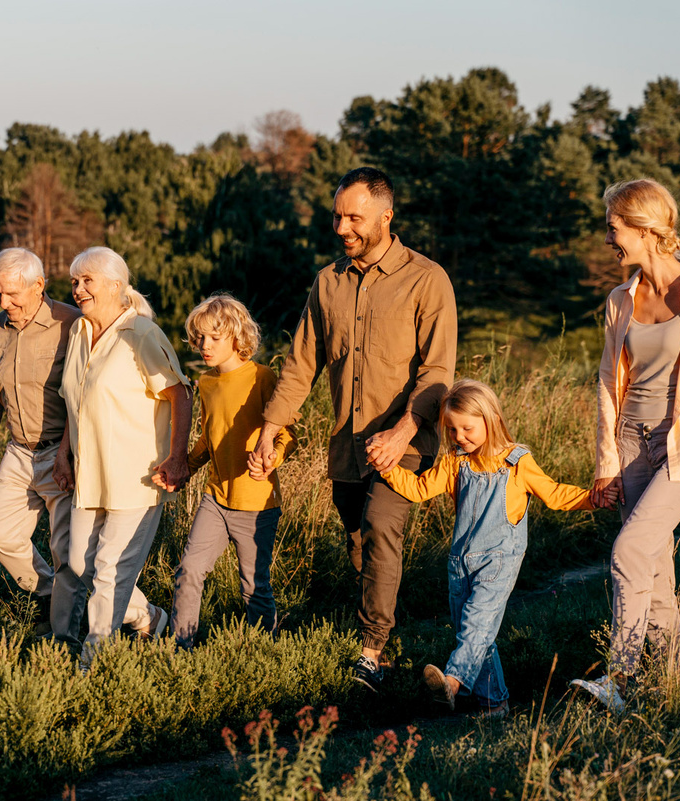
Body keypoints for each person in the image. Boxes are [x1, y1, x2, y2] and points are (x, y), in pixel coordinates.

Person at [250, 166, 457, 690]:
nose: (343, 228)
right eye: (338, 216)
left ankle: (371, 649)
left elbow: (437, 372)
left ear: (387, 217)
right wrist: (271, 427)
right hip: (349, 444)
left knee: (383, 524)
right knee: (359, 537)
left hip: (407, 441)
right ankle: (385, 641)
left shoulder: (426, 279)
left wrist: (406, 430)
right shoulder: (327, 282)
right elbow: (301, 364)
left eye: (354, 218)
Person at [571, 179, 680, 713]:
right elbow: (606, 384)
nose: (608, 240)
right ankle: (669, 689)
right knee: (655, 569)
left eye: (613, 228)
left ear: (645, 230)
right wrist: (606, 462)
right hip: (631, 445)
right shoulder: (619, 300)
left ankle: (619, 680)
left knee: (628, 550)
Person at [369, 379, 602, 718]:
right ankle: (495, 703)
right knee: (475, 631)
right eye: (452, 430)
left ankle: (452, 683)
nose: (460, 436)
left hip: (499, 561)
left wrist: (592, 499)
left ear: (490, 419)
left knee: (477, 625)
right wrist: (387, 468)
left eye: (467, 428)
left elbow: (554, 494)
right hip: (460, 562)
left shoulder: (517, 462)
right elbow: (419, 489)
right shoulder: (455, 463)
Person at [57, 246, 192, 667]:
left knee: (110, 572)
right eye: (75, 281)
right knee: (80, 564)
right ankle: (151, 618)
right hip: (88, 476)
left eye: (87, 280)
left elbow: (180, 393)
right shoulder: (79, 333)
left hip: (137, 477)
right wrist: (64, 455)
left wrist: (178, 457)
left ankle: (92, 664)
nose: (78, 289)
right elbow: (75, 402)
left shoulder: (142, 334)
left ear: (116, 285)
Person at [166, 293, 297, 649]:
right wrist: (182, 470)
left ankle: (262, 653)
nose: (203, 346)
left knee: (254, 586)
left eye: (214, 338)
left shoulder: (262, 378)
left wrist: (273, 457)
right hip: (216, 499)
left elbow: (287, 433)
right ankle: (180, 649)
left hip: (258, 504)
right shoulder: (205, 384)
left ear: (237, 338)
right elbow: (207, 442)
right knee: (189, 571)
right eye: (200, 338)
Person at [0, 248, 83, 645]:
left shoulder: (72, 324)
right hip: (18, 452)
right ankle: (49, 594)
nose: (3, 303)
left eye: (12, 294)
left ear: (38, 286)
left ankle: (65, 638)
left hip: (62, 451)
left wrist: (68, 454)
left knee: (67, 550)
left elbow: (80, 395)